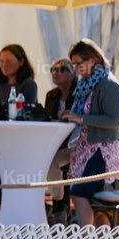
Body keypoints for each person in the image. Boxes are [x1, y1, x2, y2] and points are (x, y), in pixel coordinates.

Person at [59, 39, 119, 228]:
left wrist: (81, 118)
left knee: (79, 194)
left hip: (101, 150)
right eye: (74, 65)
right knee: (94, 202)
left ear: (92, 60)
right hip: (85, 149)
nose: (76, 69)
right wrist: (70, 114)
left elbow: (114, 120)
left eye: (79, 64)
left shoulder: (108, 84)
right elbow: (86, 112)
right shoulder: (87, 83)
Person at [44, 58, 76, 211]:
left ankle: (58, 208)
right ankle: (37, 203)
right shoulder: (51, 95)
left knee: (51, 161)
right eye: (53, 70)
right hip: (56, 143)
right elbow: (47, 120)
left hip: (77, 144)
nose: (55, 73)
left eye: (61, 69)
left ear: (72, 74)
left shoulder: (80, 94)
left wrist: (69, 115)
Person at [0, 43, 38, 109]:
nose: (4, 64)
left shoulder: (29, 85)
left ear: (21, 62)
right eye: (2, 61)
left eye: (8, 61)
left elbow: (25, 112)